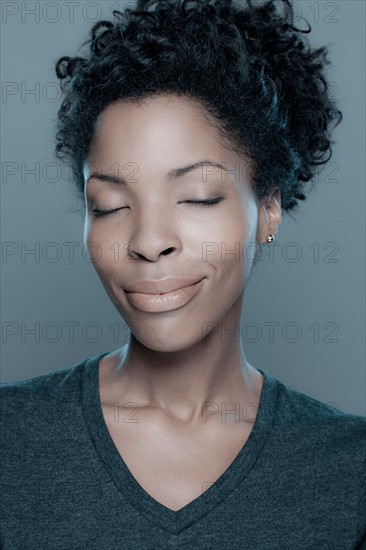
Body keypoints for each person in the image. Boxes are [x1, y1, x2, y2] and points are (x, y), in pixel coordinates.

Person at [1, 0, 365, 548]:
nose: (148, 242)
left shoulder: (349, 471)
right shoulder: (11, 439)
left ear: (268, 209)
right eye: (108, 205)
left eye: (197, 196)